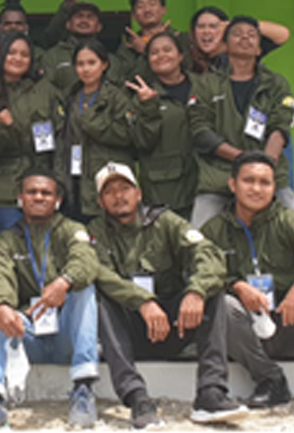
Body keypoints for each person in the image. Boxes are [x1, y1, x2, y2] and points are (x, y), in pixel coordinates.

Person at [90, 162, 248, 428]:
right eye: (110, 192)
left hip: (173, 324)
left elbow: (208, 254)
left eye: (125, 188)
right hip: (129, 329)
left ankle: (211, 393)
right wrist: (142, 301)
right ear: (100, 201)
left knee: (213, 292)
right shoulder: (94, 232)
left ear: (138, 193)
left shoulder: (166, 221)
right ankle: (137, 398)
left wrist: (196, 291)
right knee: (101, 300)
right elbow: (100, 274)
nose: (119, 196)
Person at [201, 152, 294, 413]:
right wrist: (235, 285)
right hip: (245, 330)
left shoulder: (289, 222)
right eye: (249, 181)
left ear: (273, 188)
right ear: (233, 184)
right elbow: (199, 273)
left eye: (265, 182)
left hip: (290, 320)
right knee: (220, 303)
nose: (257, 189)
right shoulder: (214, 230)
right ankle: (270, 379)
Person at [0, 170, 100, 429]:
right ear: (20, 198)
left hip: (65, 334)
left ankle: (83, 391)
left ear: (58, 200)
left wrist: (65, 281)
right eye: (32, 192)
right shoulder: (8, 238)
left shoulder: (73, 230)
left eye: (46, 193)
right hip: (27, 332)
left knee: (84, 290)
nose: (38, 197)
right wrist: (4, 305)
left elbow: (86, 261)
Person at [187, 16, 294, 228]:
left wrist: (264, 164)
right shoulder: (206, 85)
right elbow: (201, 131)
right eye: (237, 34)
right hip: (218, 178)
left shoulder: (276, 83)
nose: (245, 38)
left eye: (252, 36)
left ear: (259, 49)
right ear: (225, 46)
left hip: (269, 176)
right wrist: (243, 160)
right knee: (197, 242)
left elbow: (281, 126)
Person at [0, 31, 61, 233]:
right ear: (0, 55)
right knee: (13, 252)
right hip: (4, 191)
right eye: (11, 53)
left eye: (24, 54)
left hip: (42, 186)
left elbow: (60, 139)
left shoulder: (45, 90)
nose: (18, 58)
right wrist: (4, 128)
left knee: (42, 252)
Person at [59, 39, 136, 223]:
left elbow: (128, 135)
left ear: (104, 65)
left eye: (92, 63)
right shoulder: (70, 96)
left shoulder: (117, 96)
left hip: (107, 175)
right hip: (76, 176)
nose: (85, 69)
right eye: (80, 64)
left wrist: (92, 123)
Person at [127, 31, 200, 219]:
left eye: (167, 50)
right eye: (154, 53)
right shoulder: (142, 98)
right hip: (164, 191)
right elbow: (142, 142)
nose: (161, 56)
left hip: (205, 185)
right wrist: (149, 107)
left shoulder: (204, 86)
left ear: (181, 56)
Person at [189, 6, 290, 74]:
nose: (206, 31)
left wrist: (239, 24)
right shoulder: (187, 53)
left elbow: (282, 34)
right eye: (201, 26)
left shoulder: (241, 51)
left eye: (213, 26)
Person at [111, 0, 178, 84]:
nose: (147, 10)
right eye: (140, 6)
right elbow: (126, 81)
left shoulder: (178, 38)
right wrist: (143, 55)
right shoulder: (128, 46)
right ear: (134, 16)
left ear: (163, 10)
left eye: (152, 4)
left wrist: (147, 49)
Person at [40, 1, 105, 92]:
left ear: (99, 27)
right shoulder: (52, 56)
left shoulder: (109, 59)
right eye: (79, 16)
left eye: (90, 17)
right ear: (68, 24)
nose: (84, 20)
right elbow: (45, 91)